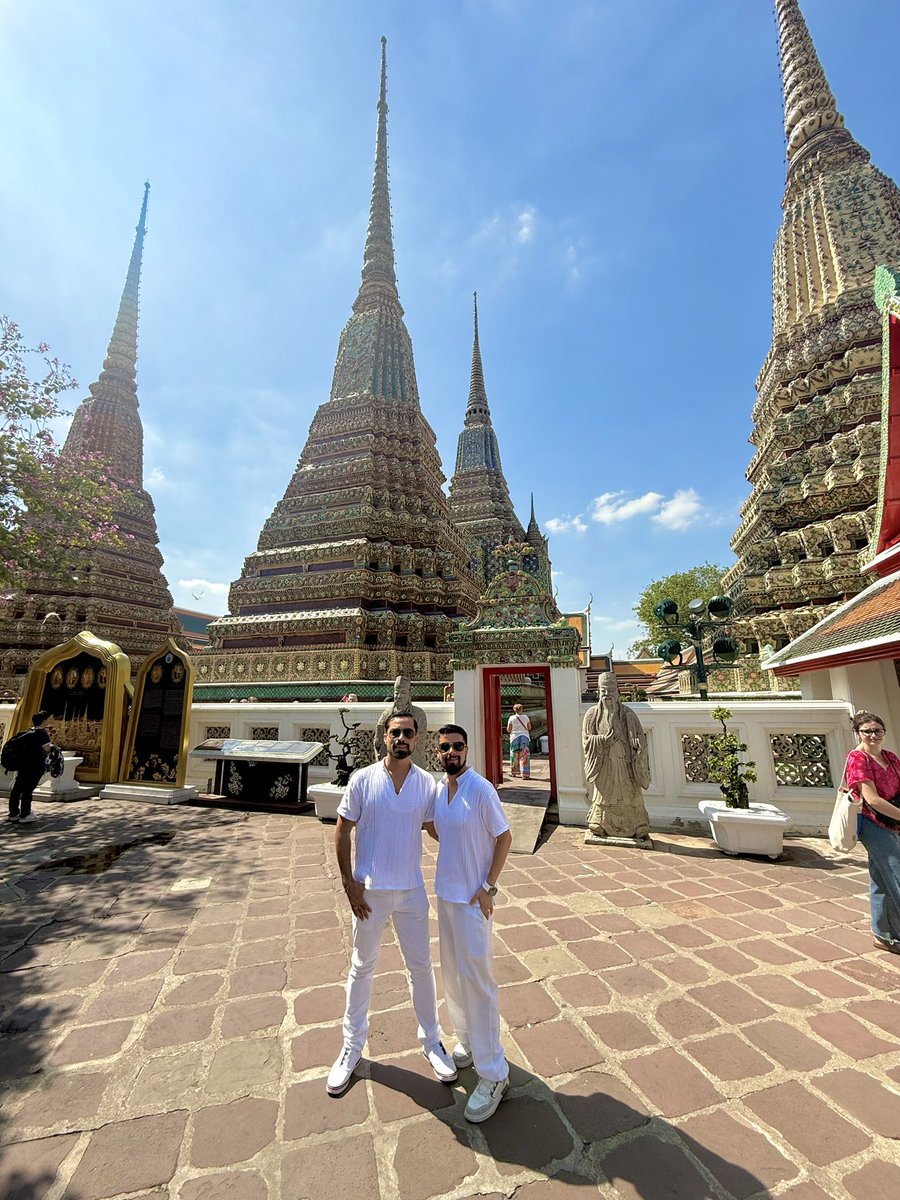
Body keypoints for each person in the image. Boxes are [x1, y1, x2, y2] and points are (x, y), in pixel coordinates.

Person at [327, 711, 456, 1095]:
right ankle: (351, 1046)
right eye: (395, 732)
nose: (402, 738)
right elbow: (342, 830)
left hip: (411, 891)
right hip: (370, 891)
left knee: (421, 968)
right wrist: (349, 884)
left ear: (418, 740)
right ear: (384, 737)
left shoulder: (426, 784)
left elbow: (436, 829)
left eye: (409, 733)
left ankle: (432, 1041)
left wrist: (474, 844)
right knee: (362, 967)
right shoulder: (363, 780)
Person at [429, 723, 512, 1123]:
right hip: (445, 896)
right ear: (437, 751)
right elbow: (436, 828)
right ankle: (464, 1039)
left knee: (478, 983)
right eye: (444, 748)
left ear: (467, 748)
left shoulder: (481, 790)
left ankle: (494, 1072)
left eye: (457, 747)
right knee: (453, 977)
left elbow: (505, 837)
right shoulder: (440, 790)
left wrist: (488, 887)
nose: (451, 753)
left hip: (472, 901)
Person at [844, 710, 900, 955]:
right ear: (858, 733)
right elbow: (872, 800)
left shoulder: (891, 757)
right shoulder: (858, 758)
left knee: (881, 877)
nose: (873, 735)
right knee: (897, 875)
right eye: (867, 731)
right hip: (873, 822)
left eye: (877, 730)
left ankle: (883, 934)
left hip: (894, 820)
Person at [582, 672, 651, 841]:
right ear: (598, 692)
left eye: (611, 691)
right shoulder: (592, 716)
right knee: (604, 793)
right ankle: (599, 821)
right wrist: (602, 741)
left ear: (618, 692)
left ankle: (638, 823)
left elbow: (641, 738)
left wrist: (637, 744)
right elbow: (586, 739)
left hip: (626, 762)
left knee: (630, 793)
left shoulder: (629, 715)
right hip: (604, 762)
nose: (607, 695)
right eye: (603, 691)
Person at [6, 710, 54, 825]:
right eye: (48, 718)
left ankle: (13, 813)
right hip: (35, 765)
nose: (49, 721)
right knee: (28, 789)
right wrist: (52, 747)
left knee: (17, 788)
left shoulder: (28, 731)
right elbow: (46, 749)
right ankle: (26, 814)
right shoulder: (42, 733)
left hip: (23, 764)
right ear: (44, 720)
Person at [374, 677, 429, 770]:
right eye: (396, 693)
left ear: (409, 695)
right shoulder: (386, 714)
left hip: (414, 765)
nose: (399, 696)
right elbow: (378, 739)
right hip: (390, 766)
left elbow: (420, 741)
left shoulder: (419, 714)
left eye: (403, 693)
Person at [506, 703, 531, 779]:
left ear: (514, 710)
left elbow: (508, 729)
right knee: (525, 755)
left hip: (514, 737)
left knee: (514, 755)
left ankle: (514, 772)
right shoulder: (526, 717)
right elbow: (529, 728)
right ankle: (525, 774)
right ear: (522, 709)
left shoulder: (511, 718)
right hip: (524, 736)